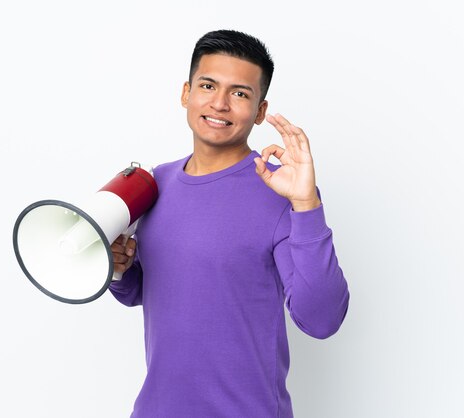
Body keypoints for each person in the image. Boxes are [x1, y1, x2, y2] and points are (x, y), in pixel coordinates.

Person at [108, 29, 350, 418]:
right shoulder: (157, 182)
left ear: (259, 111)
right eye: (208, 86)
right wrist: (119, 270)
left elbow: (321, 319)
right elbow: (145, 290)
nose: (219, 104)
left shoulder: (280, 189)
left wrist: (306, 203)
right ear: (186, 93)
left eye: (239, 93)